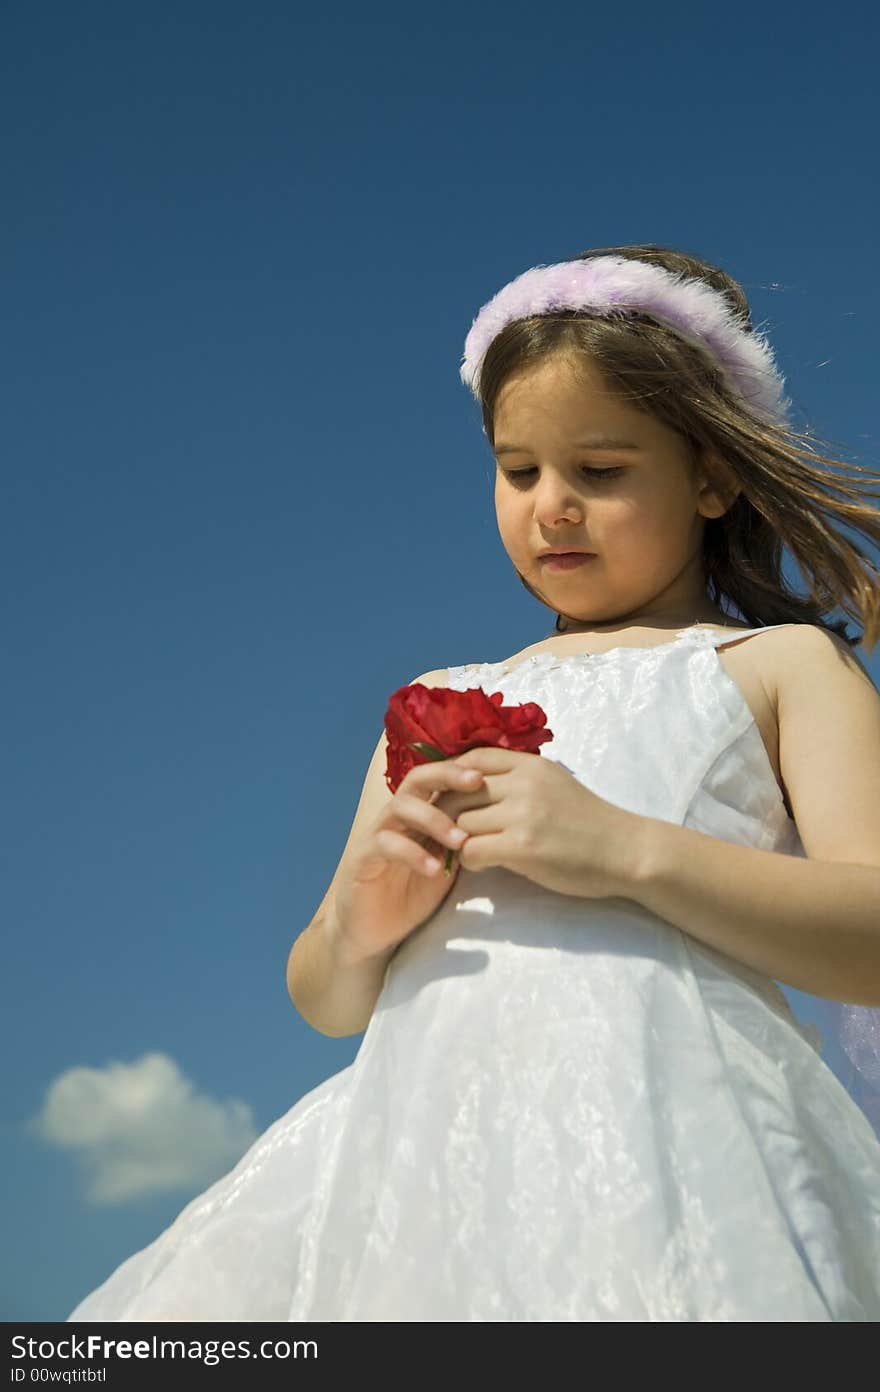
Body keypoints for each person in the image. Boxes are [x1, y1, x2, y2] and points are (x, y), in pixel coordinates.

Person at [67, 244, 880, 1322]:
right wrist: (360, 923)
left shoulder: (777, 667)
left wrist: (623, 850)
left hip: (682, 1133)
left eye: (600, 471)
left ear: (712, 476)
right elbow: (325, 997)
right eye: (518, 469)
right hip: (420, 1158)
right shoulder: (432, 702)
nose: (552, 506)